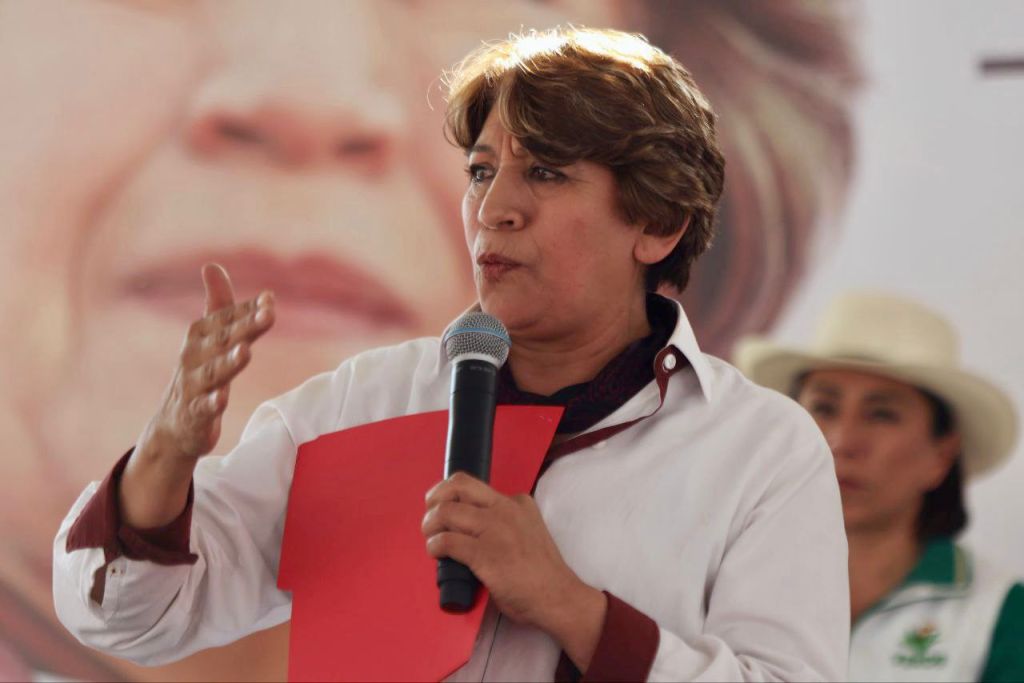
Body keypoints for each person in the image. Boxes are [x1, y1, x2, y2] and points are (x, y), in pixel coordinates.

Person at [2, 2, 857, 679]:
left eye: (546, 172)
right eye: (482, 171)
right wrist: (164, 459)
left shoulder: (758, 450)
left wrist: (572, 607)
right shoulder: (359, 404)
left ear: (658, 222)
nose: (495, 208)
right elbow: (131, 615)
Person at [735, 292, 1024, 682]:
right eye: (824, 407)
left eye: (882, 414)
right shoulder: (727, 578)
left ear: (941, 455)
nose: (843, 441)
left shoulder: (1001, 613)